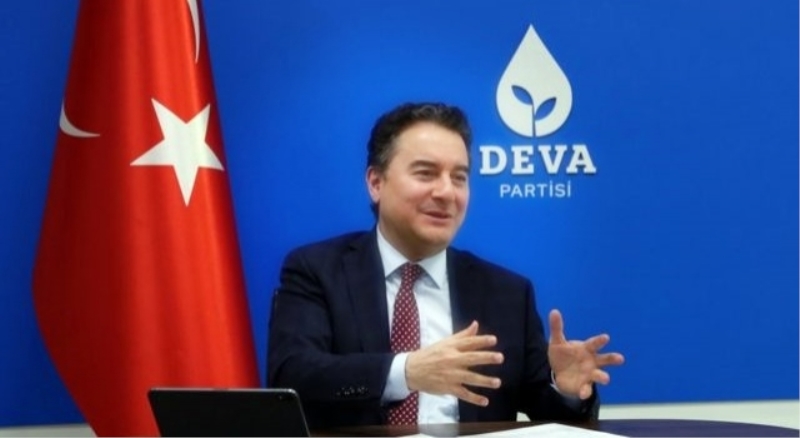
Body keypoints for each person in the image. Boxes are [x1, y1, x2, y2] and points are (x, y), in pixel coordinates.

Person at [267, 102, 624, 430]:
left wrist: (566, 389)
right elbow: (293, 375)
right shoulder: (317, 270)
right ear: (376, 183)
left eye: (459, 177)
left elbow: (550, 417)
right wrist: (407, 372)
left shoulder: (507, 293)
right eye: (426, 173)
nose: (446, 192)